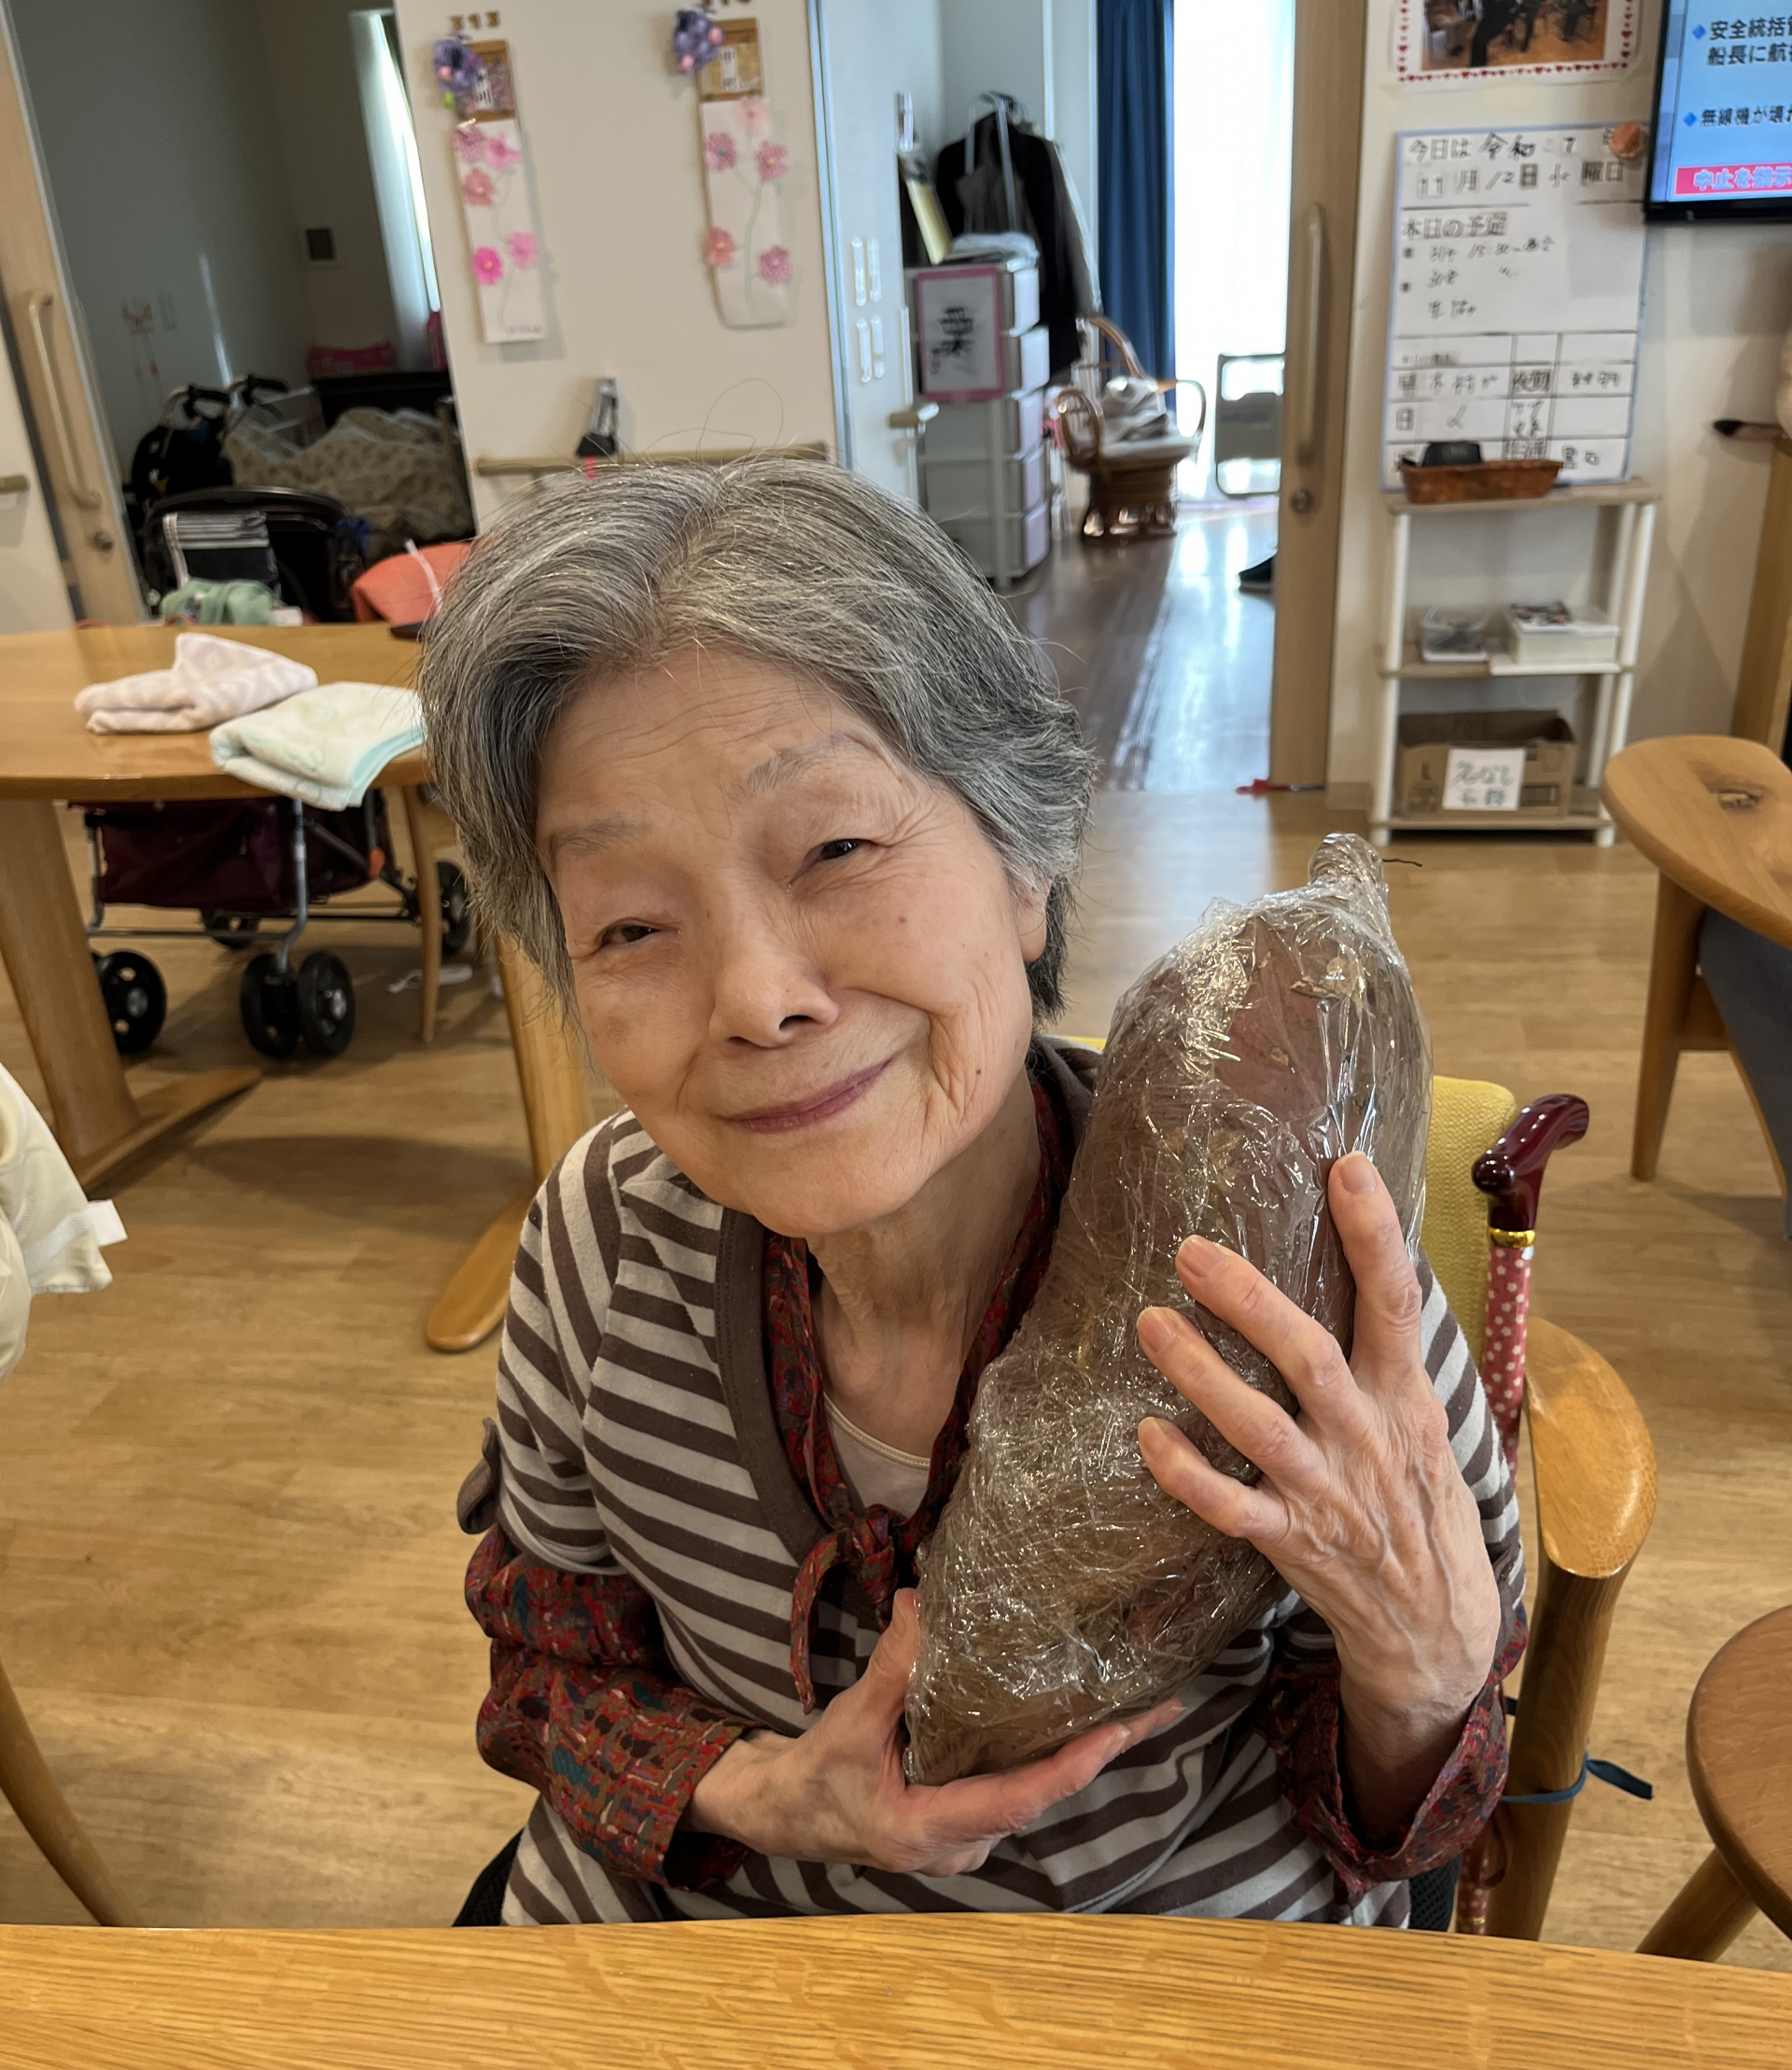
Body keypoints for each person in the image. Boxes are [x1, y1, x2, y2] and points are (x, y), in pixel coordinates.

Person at [420, 458, 1524, 1930]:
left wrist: (1424, 1670)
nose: (756, 998)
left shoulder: (1288, 1251)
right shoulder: (599, 1237)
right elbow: (546, 1657)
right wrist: (762, 1794)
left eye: (836, 849)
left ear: (1026, 858)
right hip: (687, 1979)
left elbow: (1412, 1820)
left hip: (1151, 2012)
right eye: (630, 925)